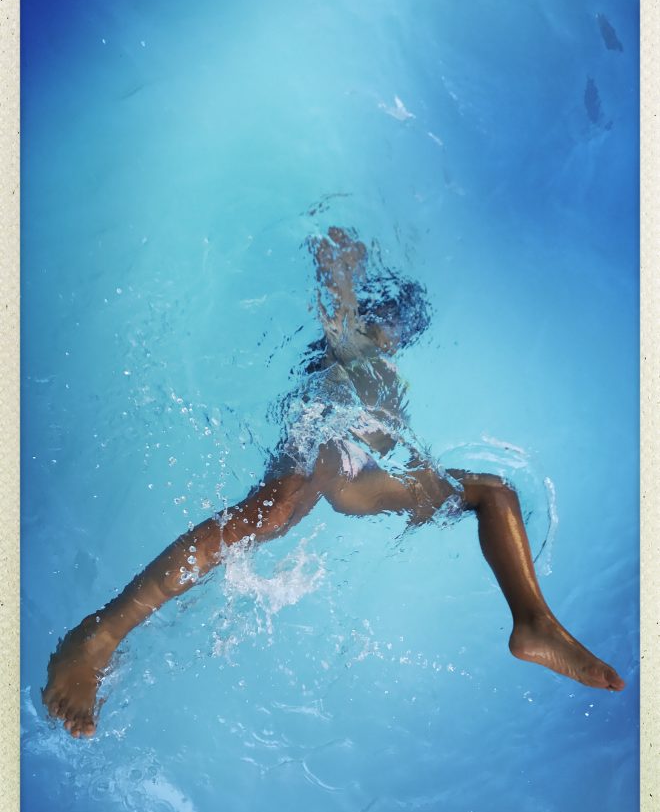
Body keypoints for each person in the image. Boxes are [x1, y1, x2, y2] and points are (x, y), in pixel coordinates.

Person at [43, 226, 625, 739]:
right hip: (328, 450)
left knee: (490, 493)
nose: (393, 330)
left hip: (356, 473)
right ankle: (98, 637)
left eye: (398, 326)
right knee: (276, 511)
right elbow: (339, 322)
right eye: (389, 320)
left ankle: (534, 621)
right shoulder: (352, 346)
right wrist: (338, 268)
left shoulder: (377, 365)